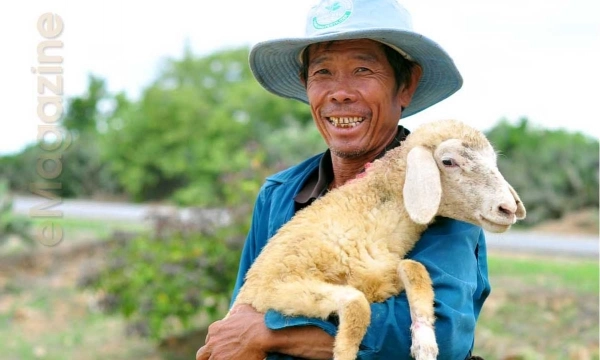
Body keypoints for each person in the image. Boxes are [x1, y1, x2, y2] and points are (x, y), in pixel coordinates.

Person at [196, 0, 490, 359]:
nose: (340, 92)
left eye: (363, 70)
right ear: (306, 86)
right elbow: (242, 317)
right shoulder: (279, 194)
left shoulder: (441, 192)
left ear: (406, 85)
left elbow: (442, 339)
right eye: (322, 73)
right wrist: (252, 333)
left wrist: (272, 333)